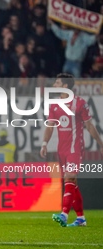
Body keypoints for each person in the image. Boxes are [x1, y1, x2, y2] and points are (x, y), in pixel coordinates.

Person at [40, 73, 103, 227]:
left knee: (69, 178)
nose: (55, 85)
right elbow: (50, 126)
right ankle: (81, 218)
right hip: (61, 149)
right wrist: (44, 143)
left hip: (75, 148)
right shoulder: (54, 104)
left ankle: (64, 214)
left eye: (57, 82)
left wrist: (101, 144)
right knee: (72, 183)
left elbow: (89, 126)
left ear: (66, 86)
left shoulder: (80, 103)